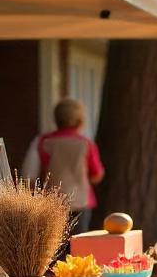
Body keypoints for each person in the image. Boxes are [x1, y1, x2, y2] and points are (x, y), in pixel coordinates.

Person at [26, 98, 104, 232]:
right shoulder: (86, 144)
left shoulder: (43, 142)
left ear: (56, 119)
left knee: (54, 246)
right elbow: (97, 175)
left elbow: (29, 175)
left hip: (51, 203)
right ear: (80, 121)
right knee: (79, 245)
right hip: (81, 202)